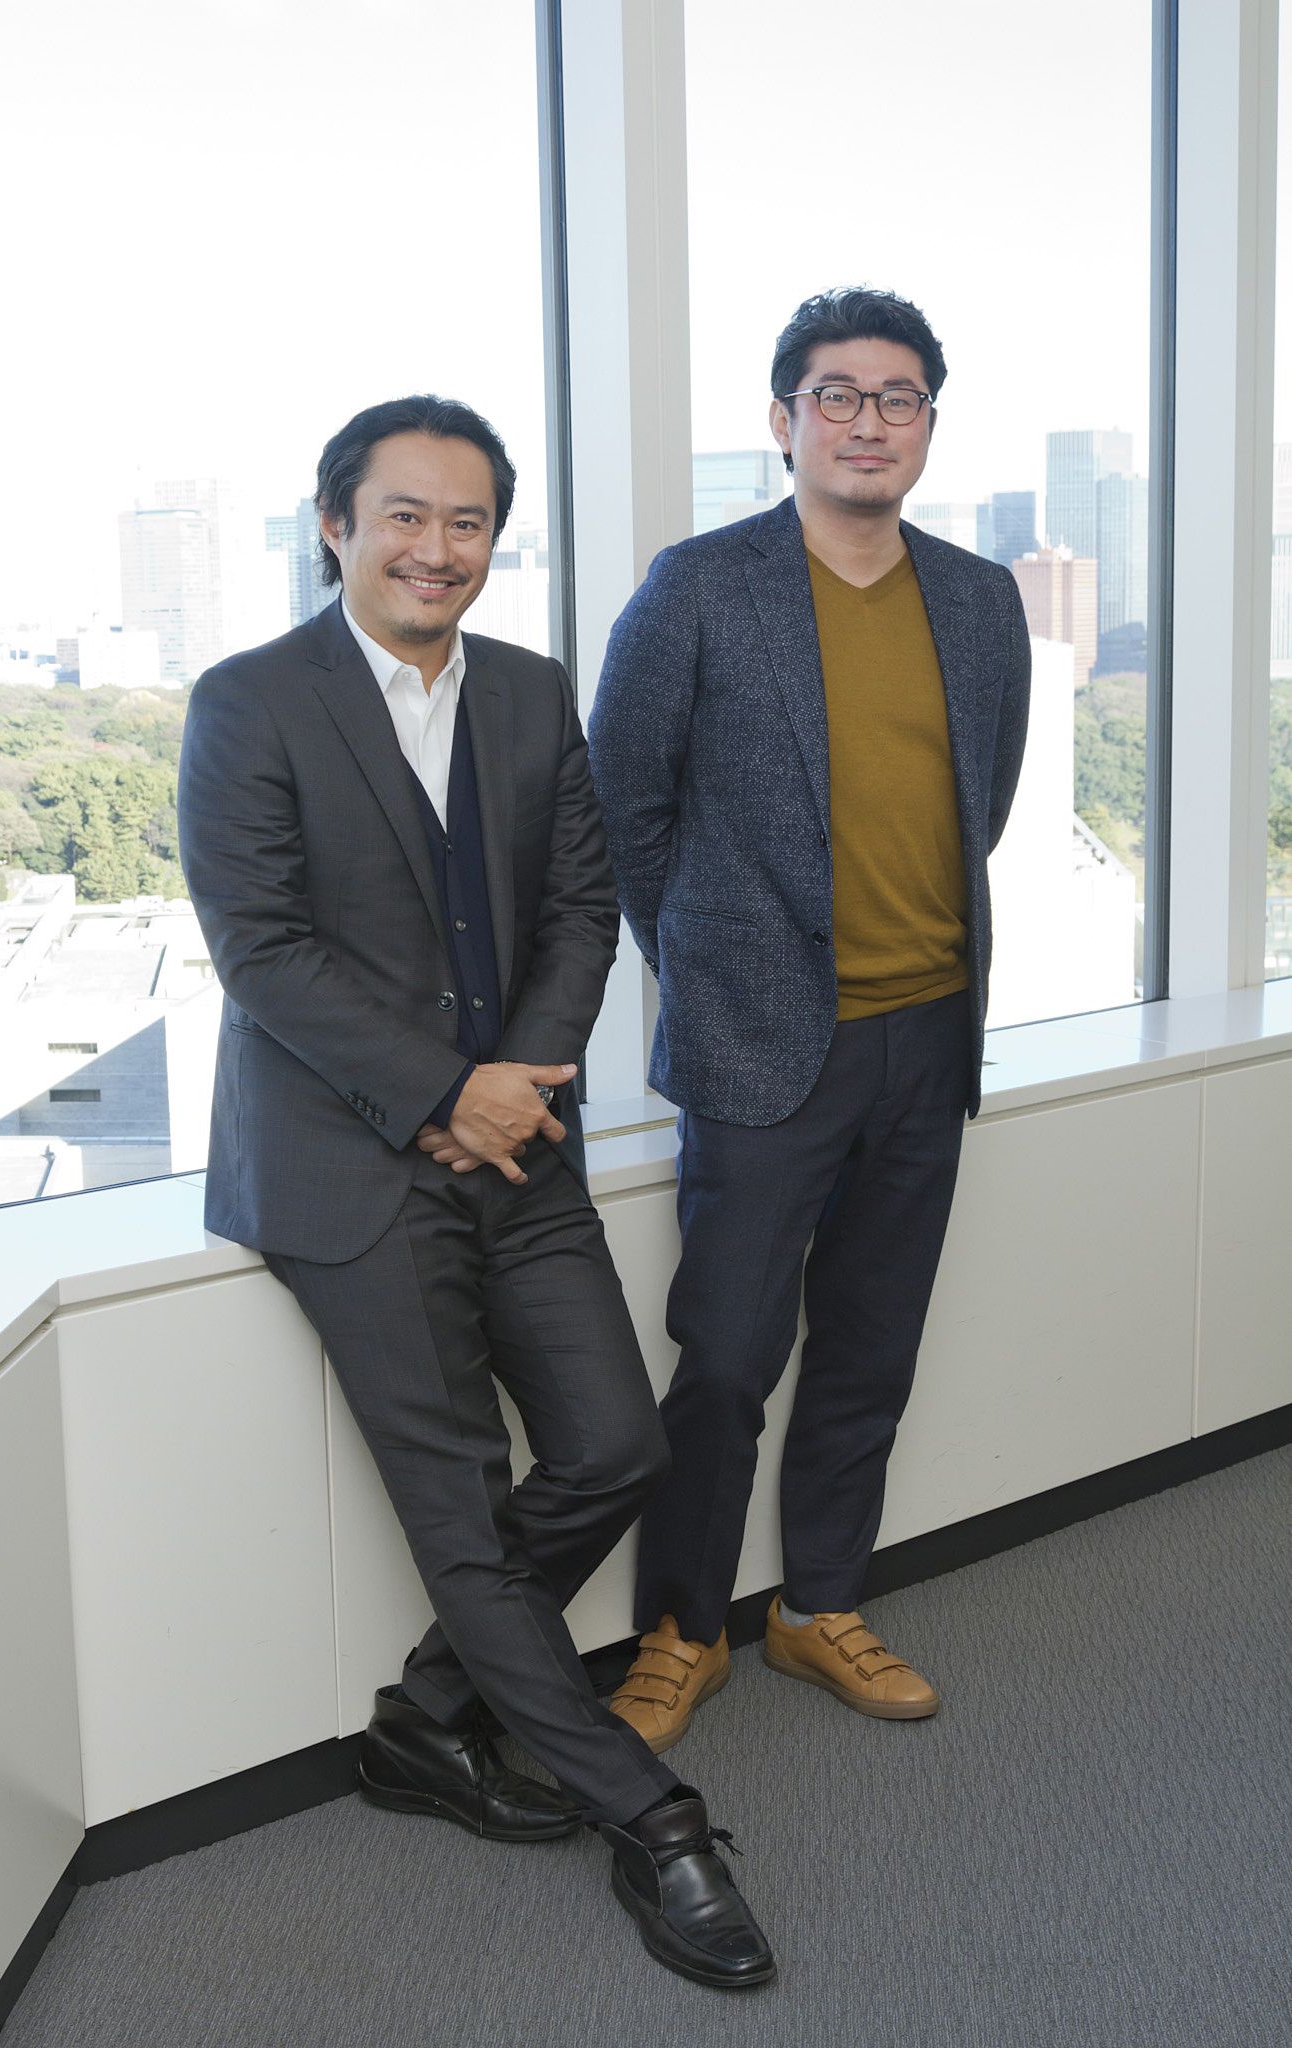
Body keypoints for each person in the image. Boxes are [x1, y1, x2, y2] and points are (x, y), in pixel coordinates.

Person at [176, 395, 773, 1989]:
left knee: (618, 1445)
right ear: (335, 525)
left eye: (467, 523)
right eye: (404, 515)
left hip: (517, 1144)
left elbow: (582, 905)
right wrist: (442, 1092)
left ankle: (427, 1718)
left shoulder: (526, 690)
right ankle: (653, 1822)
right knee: (460, 1508)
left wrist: (508, 1084)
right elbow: (260, 950)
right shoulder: (249, 702)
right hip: (343, 1170)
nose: (436, 548)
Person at [587, 289, 1031, 1752]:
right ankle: (682, 1629)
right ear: (783, 421)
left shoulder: (979, 599)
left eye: (897, 398)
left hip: (930, 1028)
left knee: (870, 1344)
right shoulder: (699, 588)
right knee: (724, 1356)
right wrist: (710, 966)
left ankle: (818, 1604)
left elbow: (982, 800)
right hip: (763, 1042)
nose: (866, 421)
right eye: (836, 394)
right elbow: (622, 811)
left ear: (927, 428)